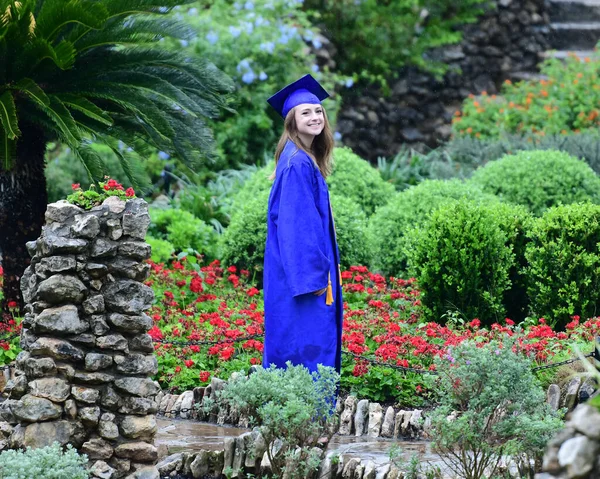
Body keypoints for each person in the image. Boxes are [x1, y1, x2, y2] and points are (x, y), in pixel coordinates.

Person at [263, 74, 343, 374]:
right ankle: (306, 418)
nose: (314, 117)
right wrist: (315, 278)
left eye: (318, 110)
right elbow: (297, 228)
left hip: (298, 276)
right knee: (305, 351)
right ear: (291, 121)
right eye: (305, 112)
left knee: (297, 350)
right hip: (305, 281)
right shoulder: (297, 163)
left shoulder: (300, 157)